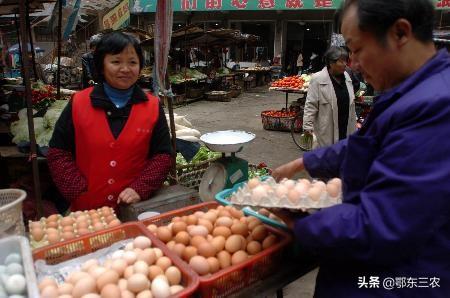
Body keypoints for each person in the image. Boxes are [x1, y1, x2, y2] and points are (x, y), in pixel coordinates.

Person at [272, 0, 450, 297]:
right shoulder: (407, 91)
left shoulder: (437, 107)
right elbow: (366, 143)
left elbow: (381, 226)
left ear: (401, 33)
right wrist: (306, 161)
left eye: (356, 49)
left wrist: (299, 220)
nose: (351, 63)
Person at [48, 32, 172, 211]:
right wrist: (79, 190)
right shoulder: (79, 103)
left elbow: (162, 156)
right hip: (89, 212)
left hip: (135, 209)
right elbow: (58, 153)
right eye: (116, 61)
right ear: (101, 65)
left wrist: (141, 187)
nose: (125, 69)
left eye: (132, 62)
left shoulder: (152, 106)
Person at [303, 46, 357, 148]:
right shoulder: (318, 79)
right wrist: (307, 126)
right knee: (326, 158)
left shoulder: (347, 77)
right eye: (341, 61)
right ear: (331, 63)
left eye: (345, 61)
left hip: (346, 127)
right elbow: (311, 104)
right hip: (327, 129)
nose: (345, 64)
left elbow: (352, 104)